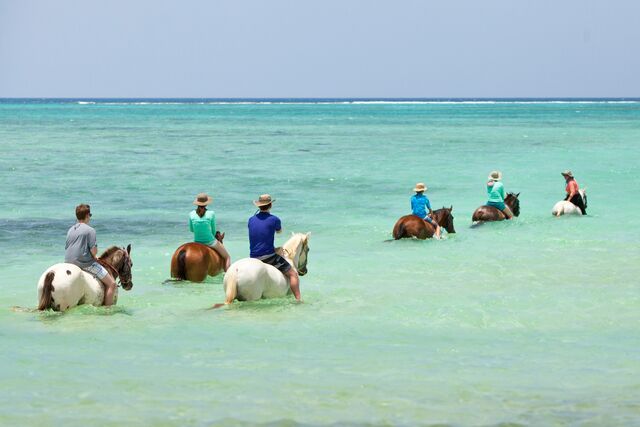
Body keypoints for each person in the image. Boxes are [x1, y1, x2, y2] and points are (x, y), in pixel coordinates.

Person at [248, 194, 301, 301]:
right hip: (268, 257)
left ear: (258, 206)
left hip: (253, 256)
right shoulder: (274, 219)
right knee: (293, 274)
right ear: (270, 205)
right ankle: (299, 299)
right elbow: (279, 231)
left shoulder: (251, 219)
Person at [65, 204, 117, 306]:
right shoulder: (90, 230)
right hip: (84, 263)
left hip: (68, 262)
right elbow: (94, 252)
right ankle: (108, 311)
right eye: (90, 215)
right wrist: (94, 257)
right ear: (87, 215)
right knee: (112, 284)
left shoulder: (70, 230)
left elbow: (67, 247)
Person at [189, 192, 231, 271]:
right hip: (210, 242)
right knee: (227, 257)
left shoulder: (191, 214)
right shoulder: (211, 213)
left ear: (197, 203)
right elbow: (213, 231)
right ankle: (228, 275)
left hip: (196, 242)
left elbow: (191, 230)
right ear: (206, 204)